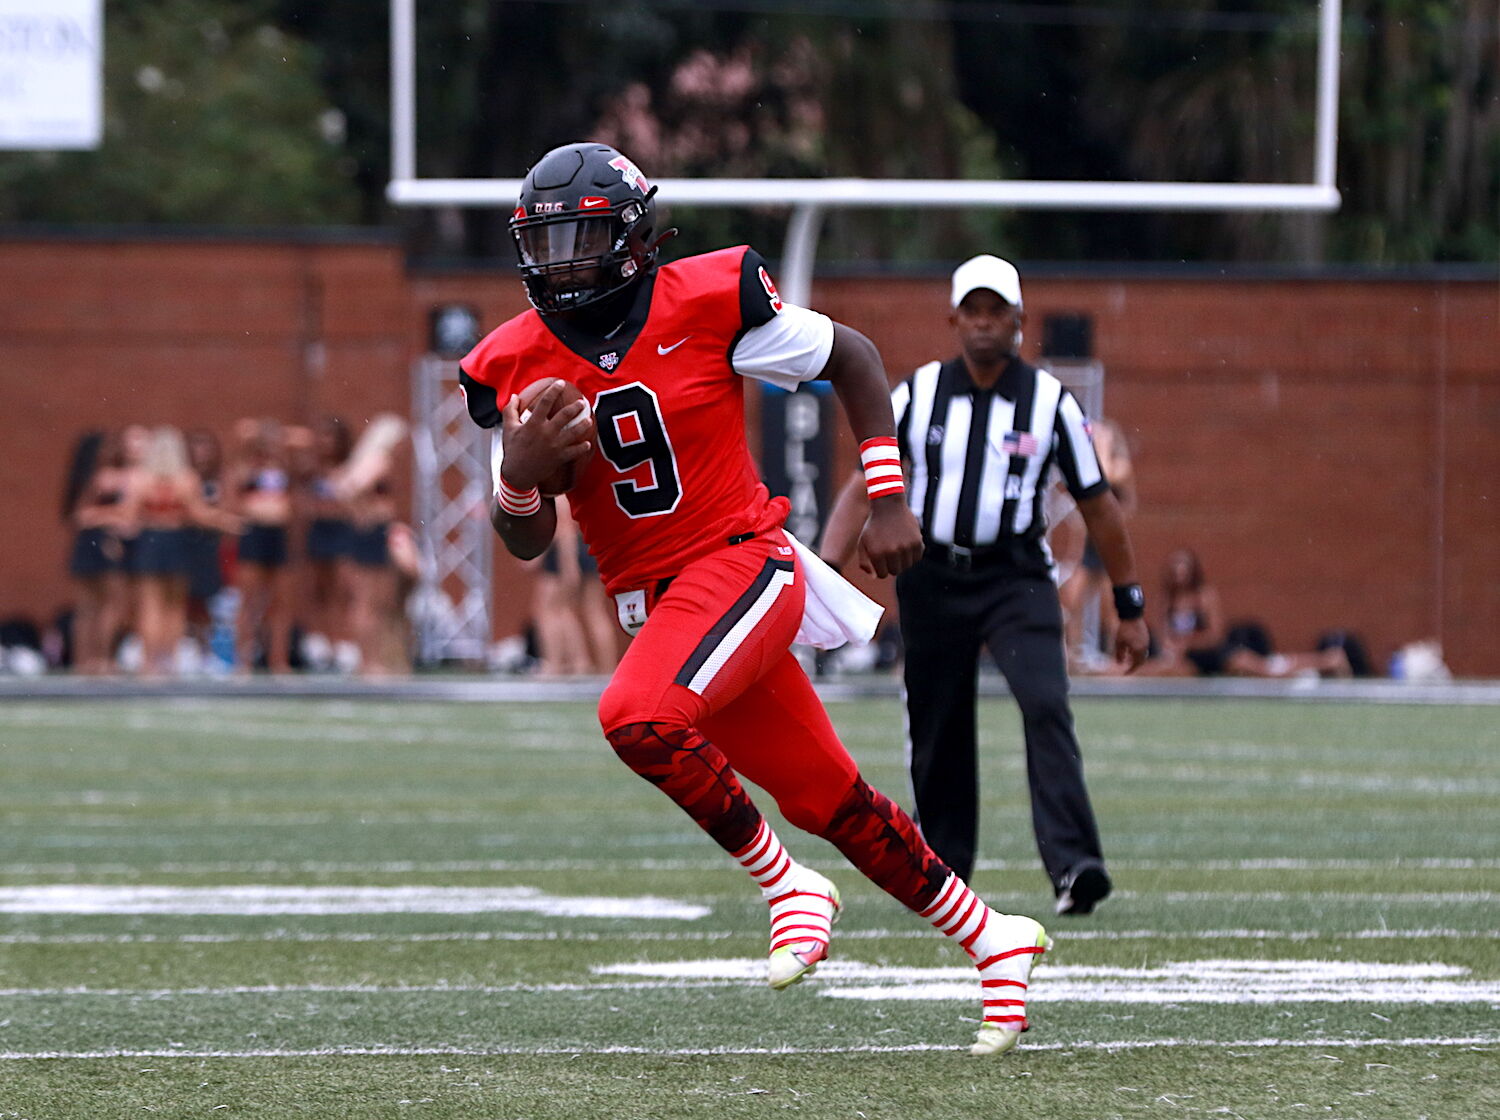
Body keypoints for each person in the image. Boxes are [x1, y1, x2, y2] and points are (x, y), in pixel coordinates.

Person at [458, 142, 1050, 1056]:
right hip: (660, 606)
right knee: (829, 799)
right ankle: (992, 938)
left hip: (742, 560)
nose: (562, 262)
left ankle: (786, 885)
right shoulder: (511, 359)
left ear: (630, 239)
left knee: (635, 717)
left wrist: (887, 495)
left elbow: (853, 357)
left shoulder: (708, 297)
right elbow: (527, 540)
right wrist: (520, 482)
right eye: (546, 243)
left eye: (580, 238)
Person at [821, 255, 1150, 918]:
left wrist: (1128, 601)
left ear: (1019, 321)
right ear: (953, 318)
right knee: (939, 723)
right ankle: (943, 869)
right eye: (972, 310)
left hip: (1015, 575)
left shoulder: (1051, 402)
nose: (983, 323)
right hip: (934, 573)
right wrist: (820, 579)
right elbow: (864, 484)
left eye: (996, 311)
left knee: (1045, 704)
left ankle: (1074, 865)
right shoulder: (918, 394)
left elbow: (1098, 504)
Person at [1139, 547, 1353, 679]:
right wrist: (1171, 647)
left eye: (1182, 566)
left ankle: (1328, 661)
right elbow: (1162, 634)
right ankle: (1113, 674)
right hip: (1189, 660)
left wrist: (1188, 643)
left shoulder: (1204, 597)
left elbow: (1215, 635)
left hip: (1217, 654)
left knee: (1265, 670)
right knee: (1159, 672)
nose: (1178, 572)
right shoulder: (1165, 601)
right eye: (1174, 566)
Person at [1059, 416, 1137, 672]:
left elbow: (1102, 479)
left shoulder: (1119, 464)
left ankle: (1121, 661)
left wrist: (1102, 446)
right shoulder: (1092, 462)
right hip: (1091, 544)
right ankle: (1075, 655)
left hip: (1111, 544)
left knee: (1112, 604)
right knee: (1072, 597)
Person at [227, 419, 295, 673]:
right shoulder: (245, 467)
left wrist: (281, 436)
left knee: (281, 602)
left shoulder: (286, 467)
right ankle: (242, 659)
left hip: (278, 534)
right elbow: (233, 498)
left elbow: (303, 442)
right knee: (249, 600)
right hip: (254, 534)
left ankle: (279, 659)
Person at [62, 429, 131, 674]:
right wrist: (112, 516)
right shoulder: (103, 478)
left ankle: (92, 660)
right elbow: (81, 516)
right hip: (101, 542)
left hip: (96, 541)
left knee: (97, 607)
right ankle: (95, 659)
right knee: (102, 605)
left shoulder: (96, 476)